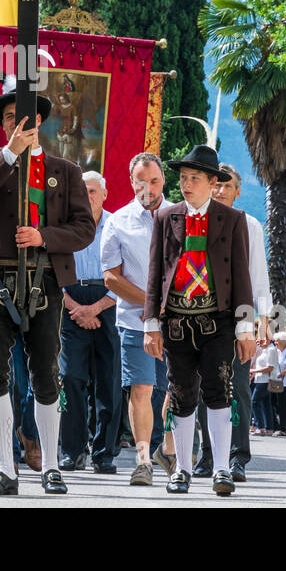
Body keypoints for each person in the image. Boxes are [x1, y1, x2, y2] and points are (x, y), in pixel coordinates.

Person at [0, 86, 95, 496]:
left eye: (22, 117)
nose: (16, 123)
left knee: (46, 374)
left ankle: (51, 467)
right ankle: (5, 468)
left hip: (45, 281)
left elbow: (84, 229)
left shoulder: (66, 169)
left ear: (39, 120)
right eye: (7, 118)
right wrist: (8, 153)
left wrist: (43, 235)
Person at [144, 144, 254, 496]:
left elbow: (241, 276)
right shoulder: (166, 217)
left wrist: (245, 326)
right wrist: (150, 323)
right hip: (176, 320)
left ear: (212, 182)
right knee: (181, 395)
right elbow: (154, 274)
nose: (187, 184)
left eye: (194, 178)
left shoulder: (232, 220)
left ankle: (221, 468)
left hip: (217, 321)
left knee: (219, 392)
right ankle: (183, 469)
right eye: (183, 178)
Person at [101, 152, 171, 487]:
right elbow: (111, 278)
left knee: (177, 391)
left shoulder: (180, 217)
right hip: (134, 321)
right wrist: (149, 305)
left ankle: (172, 450)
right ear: (131, 183)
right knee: (141, 390)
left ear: (163, 181)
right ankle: (143, 461)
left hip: (178, 322)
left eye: (154, 180)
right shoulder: (118, 221)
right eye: (141, 181)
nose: (148, 187)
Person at [199, 162, 270, 482]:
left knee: (238, 386)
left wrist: (264, 321)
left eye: (229, 186)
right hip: (199, 313)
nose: (222, 191)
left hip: (239, 315)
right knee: (203, 386)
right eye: (218, 185)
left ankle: (237, 456)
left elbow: (258, 276)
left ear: (238, 191)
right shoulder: (194, 222)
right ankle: (208, 454)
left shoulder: (249, 224)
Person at [58, 171, 120, 475]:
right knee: (71, 378)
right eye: (82, 190)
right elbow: (53, 270)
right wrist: (75, 307)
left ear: (104, 194)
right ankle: (72, 450)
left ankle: (104, 453)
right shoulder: (64, 226)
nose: (88, 195)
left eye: (93, 190)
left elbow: (129, 273)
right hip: (70, 305)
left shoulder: (117, 225)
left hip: (109, 304)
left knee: (108, 382)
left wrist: (96, 308)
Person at [250, 333, 279, 434]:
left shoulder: (271, 349)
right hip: (260, 380)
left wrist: (254, 371)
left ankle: (260, 426)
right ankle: (269, 428)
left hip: (265, 380)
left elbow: (270, 367)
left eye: (261, 338)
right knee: (267, 404)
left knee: (254, 402)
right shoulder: (264, 349)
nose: (259, 340)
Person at [271, 331, 286, 436]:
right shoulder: (278, 352)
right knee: (274, 404)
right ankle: (276, 427)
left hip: (285, 383)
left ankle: (284, 429)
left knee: (283, 406)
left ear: (283, 342)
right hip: (276, 382)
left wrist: (280, 374)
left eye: (277, 340)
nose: (275, 342)